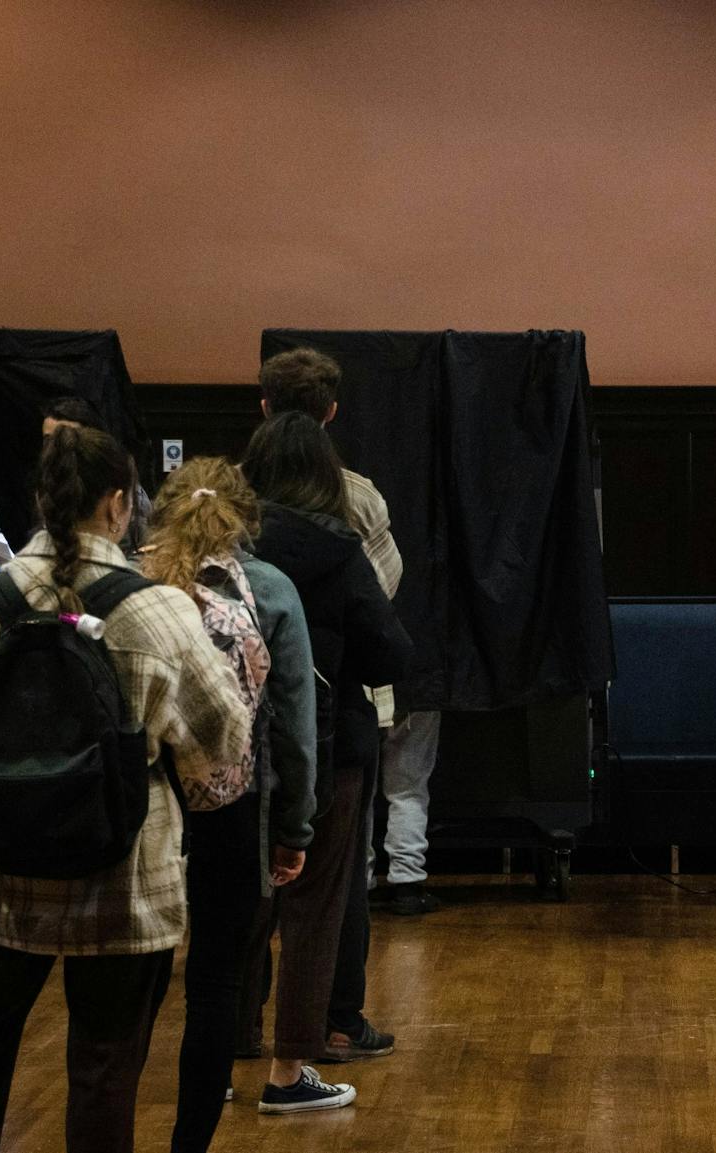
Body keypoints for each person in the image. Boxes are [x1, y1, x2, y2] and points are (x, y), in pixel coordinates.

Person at [0, 425, 251, 1153]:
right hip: (127, 881)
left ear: (40, 498)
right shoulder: (158, 611)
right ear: (120, 504)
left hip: (1, 883)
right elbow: (223, 736)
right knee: (104, 1069)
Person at [258, 348, 431, 1074]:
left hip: (238, 726)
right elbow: (381, 605)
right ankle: (332, 1026)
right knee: (333, 883)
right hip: (336, 717)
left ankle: (236, 1034)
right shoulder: (354, 502)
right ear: (332, 411)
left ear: (263, 407)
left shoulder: (224, 502)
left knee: (243, 886)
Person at [139, 458, 320, 1151]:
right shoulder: (269, 589)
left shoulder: (134, 585)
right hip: (234, 807)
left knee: (130, 993)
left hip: (143, 806)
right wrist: (294, 827)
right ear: (247, 517)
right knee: (214, 984)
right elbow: (295, 725)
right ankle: (190, 1142)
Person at [41, 395, 153, 550]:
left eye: (68, 437)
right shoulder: (44, 485)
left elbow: (142, 548)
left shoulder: (124, 488)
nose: (56, 447)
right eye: (48, 440)